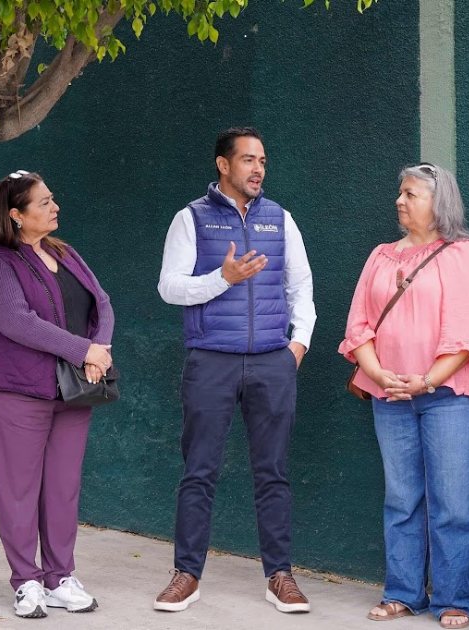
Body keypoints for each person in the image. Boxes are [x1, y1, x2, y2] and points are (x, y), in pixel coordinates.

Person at [154, 127, 317, 613]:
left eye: (262, 160)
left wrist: (298, 346)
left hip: (272, 362)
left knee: (273, 473)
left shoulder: (280, 219)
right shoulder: (191, 219)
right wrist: (221, 279)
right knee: (199, 471)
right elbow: (169, 287)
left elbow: (301, 287)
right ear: (223, 165)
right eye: (247, 160)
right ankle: (186, 574)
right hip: (211, 361)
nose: (258, 168)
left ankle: (280, 576)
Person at [340, 163, 469, 628]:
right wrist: (379, 373)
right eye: (400, 193)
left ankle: (454, 600)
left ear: (438, 202)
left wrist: (426, 380)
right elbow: (359, 325)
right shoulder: (382, 256)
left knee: (451, 501)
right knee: (402, 497)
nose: (400, 201)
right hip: (391, 395)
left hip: (451, 395)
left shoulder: (465, 254)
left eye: (411, 194)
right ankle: (404, 593)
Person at [0, 170, 115, 619]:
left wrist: (99, 352)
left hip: (73, 387)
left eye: (53, 198)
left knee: (63, 487)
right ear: (15, 215)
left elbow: (102, 302)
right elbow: (17, 321)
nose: (54, 207)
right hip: (13, 389)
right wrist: (83, 349)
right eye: (43, 202)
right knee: (17, 488)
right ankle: (26, 581)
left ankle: (60, 577)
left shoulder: (64, 252)